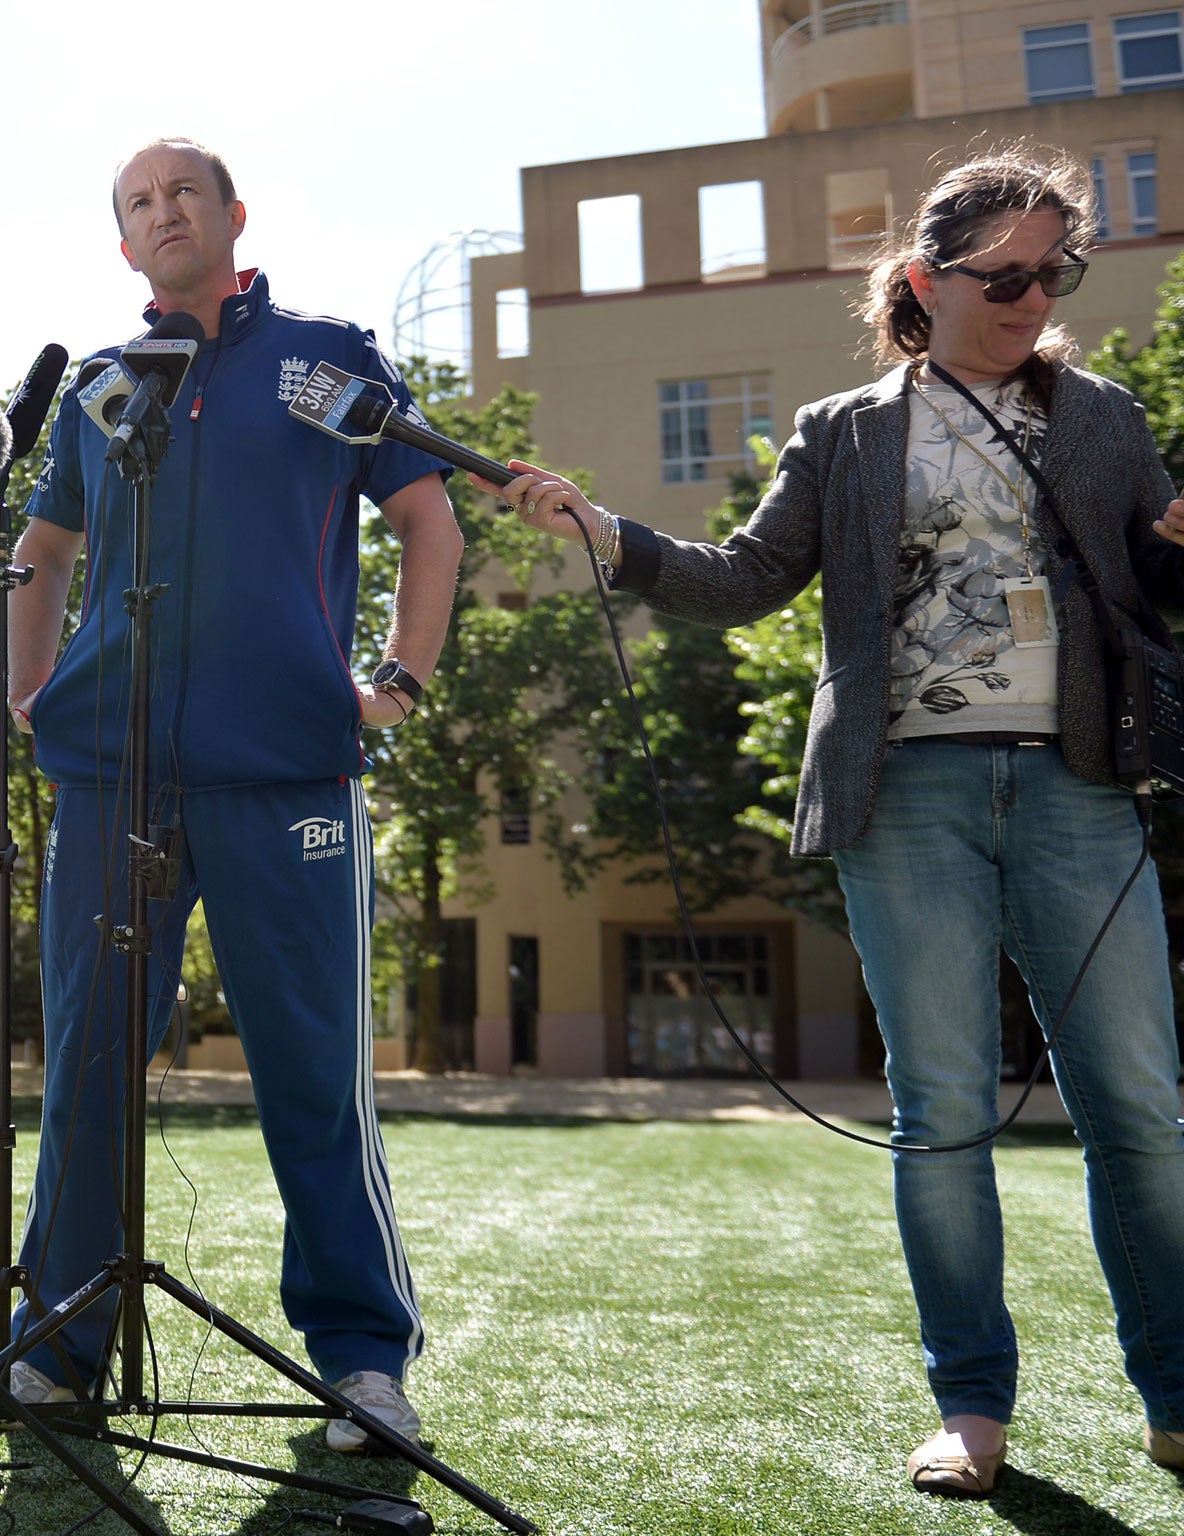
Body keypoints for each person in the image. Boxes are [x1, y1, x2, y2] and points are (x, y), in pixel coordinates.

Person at [482, 149, 1184, 1495]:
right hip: (903, 789)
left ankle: (1177, 1396)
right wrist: (603, 529)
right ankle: (972, 1409)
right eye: (1007, 275)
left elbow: (1147, 594)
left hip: (1081, 786)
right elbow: (742, 579)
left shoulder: (1102, 419)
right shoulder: (846, 430)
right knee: (945, 1113)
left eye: (1056, 273)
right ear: (926, 280)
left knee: (1142, 1112)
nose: (1035, 296)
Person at [4, 138, 464, 1451]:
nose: (164, 211)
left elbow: (430, 520)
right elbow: (41, 547)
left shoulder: (330, 358)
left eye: (184, 190)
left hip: (293, 770)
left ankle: (364, 1366)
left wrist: (398, 683)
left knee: (315, 1070)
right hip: (111, 770)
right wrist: (27, 691)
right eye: (138, 201)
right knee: (89, 1065)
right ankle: (57, 1345)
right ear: (123, 240)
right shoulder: (98, 386)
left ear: (234, 214)